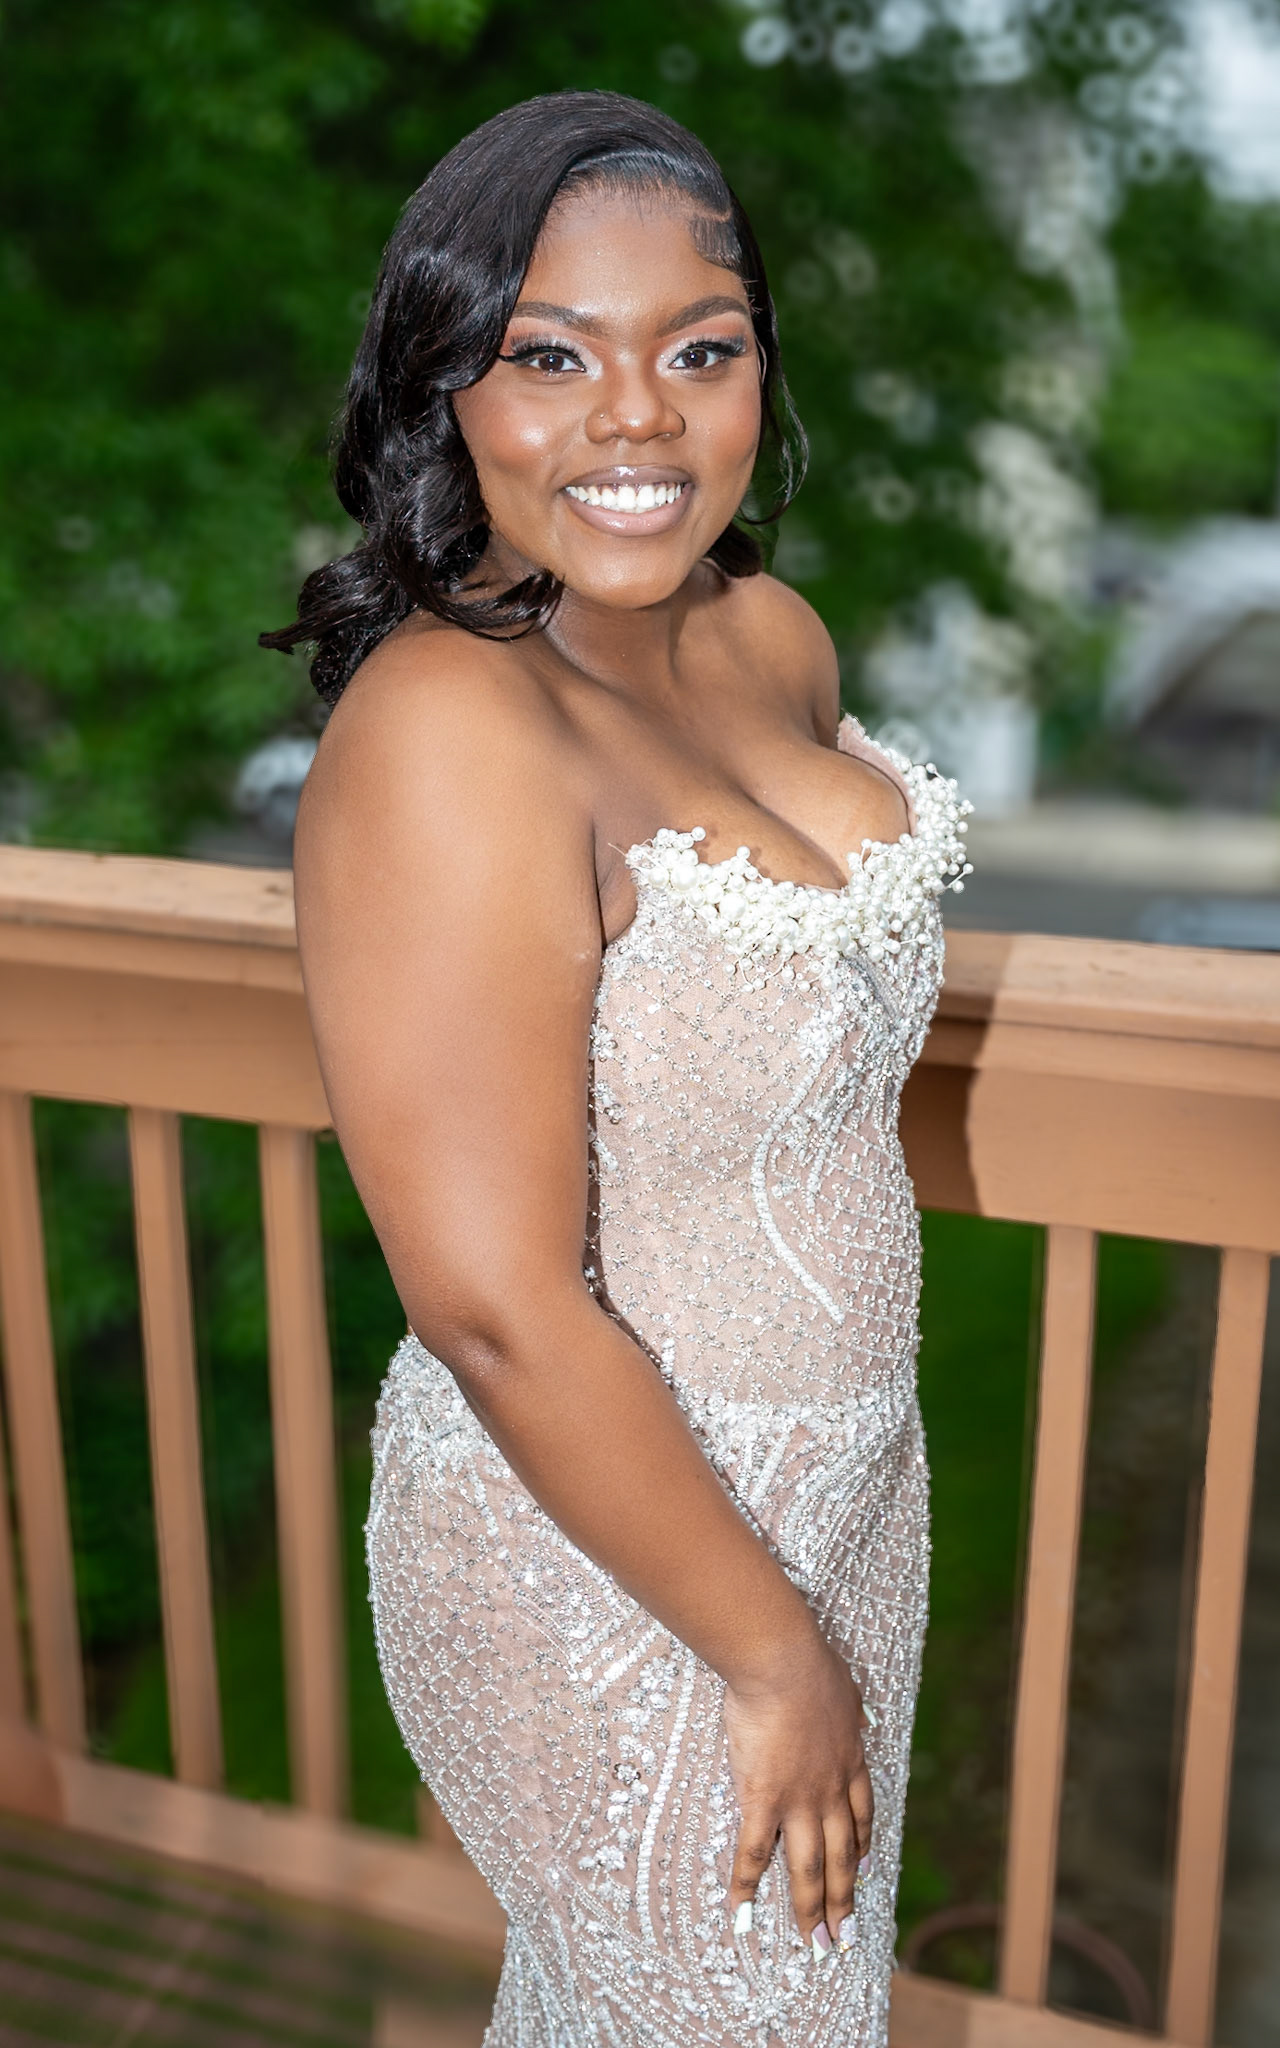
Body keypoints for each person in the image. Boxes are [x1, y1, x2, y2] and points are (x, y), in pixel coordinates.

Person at [263, 89, 970, 2048]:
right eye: (551, 358)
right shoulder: (448, 730)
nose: (638, 420)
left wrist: (815, 1608)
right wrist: (771, 1658)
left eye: (700, 351)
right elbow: (492, 1303)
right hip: (610, 1551)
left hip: (848, 1498)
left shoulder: (771, 637)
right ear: (447, 393)